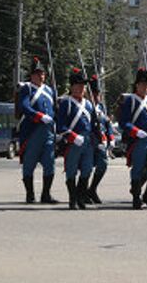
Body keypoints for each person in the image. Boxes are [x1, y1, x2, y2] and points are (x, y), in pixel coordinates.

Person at [120, 68, 147, 210]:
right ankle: (136, 197)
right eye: (142, 84)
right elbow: (124, 122)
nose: (145, 87)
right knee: (138, 168)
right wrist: (136, 131)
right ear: (136, 86)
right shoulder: (130, 100)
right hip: (138, 140)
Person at [17, 57, 58, 204]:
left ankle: (46, 194)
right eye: (37, 74)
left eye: (42, 74)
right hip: (32, 131)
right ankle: (30, 194)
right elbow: (25, 106)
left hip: (48, 133)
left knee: (50, 163)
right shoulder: (26, 88)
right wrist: (39, 116)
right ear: (32, 75)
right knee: (29, 164)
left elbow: (55, 110)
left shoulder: (49, 90)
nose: (40, 76)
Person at [56, 68, 96, 210]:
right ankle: (72, 199)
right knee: (71, 171)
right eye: (78, 85)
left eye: (83, 85)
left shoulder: (89, 104)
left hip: (87, 142)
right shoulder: (66, 103)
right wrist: (72, 136)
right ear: (72, 86)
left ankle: (80, 197)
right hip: (73, 141)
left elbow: (93, 125)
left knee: (87, 170)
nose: (81, 88)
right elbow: (60, 126)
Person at [86, 74, 114, 204]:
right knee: (87, 167)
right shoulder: (86, 106)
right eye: (94, 93)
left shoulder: (101, 107)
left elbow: (107, 123)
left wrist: (111, 137)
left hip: (101, 142)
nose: (96, 96)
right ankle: (83, 191)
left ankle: (92, 189)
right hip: (90, 141)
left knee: (103, 165)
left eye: (97, 94)